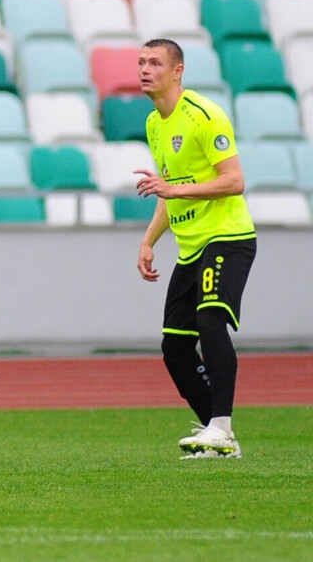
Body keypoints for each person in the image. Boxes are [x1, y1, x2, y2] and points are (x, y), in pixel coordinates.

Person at [135, 38, 256, 459]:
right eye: (141, 62)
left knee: (210, 320)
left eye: (154, 62)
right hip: (190, 249)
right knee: (174, 346)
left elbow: (234, 181)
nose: (144, 69)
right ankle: (216, 435)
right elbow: (170, 194)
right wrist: (149, 240)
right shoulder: (154, 123)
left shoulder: (205, 116)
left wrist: (173, 187)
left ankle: (221, 426)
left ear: (178, 71)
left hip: (227, 237)